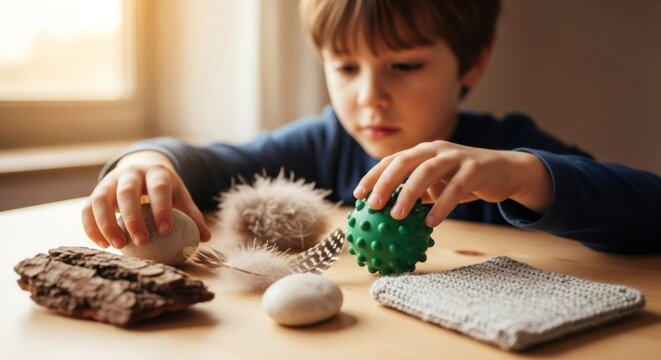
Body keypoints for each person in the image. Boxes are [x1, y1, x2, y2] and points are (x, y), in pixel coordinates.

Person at [82, 0, 661, 254]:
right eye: (346, 66)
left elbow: (649, 209)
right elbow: (210, 163)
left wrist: (524, 174)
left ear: (473, 62)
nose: (369, 97)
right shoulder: (320, 144)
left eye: (404, 66)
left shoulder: (500, 151)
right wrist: (146, 162)